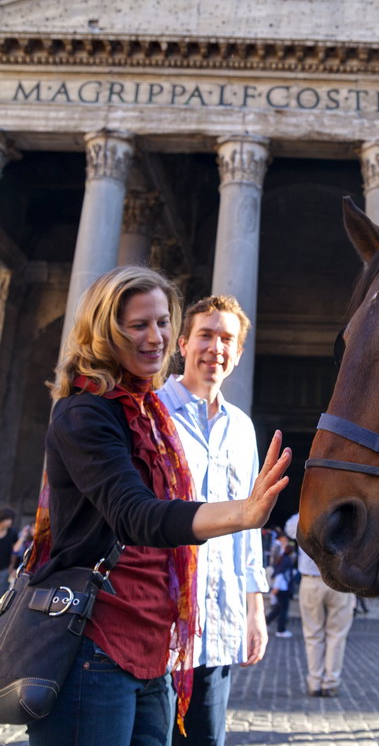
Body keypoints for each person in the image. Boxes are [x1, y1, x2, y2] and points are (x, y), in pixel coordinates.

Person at [25, 266, 291, 746]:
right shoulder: (87, 411)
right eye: (139, 325)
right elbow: (137, 515)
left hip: (157, 643)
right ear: (106, 330)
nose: (156, 337)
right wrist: (242, 512)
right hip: (97, 641)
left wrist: (253, 604)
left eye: (162, 322)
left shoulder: (152, 414)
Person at [157, 294, 273, 746]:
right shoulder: (154, 413)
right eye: (206, 335)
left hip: (219, 621)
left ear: (238, 354)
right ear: (183, 343)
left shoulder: (242, 428)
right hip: (159, 617)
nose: (215, 347)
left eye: (227, 339)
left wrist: (254, 608)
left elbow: (249, 526)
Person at [285, 512, 355, 697]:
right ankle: (331, 682)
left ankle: (314, 682)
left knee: (313, 635)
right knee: (337, 636)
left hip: (311, 581)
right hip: (340, 582)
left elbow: (289, 528)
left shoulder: (303, 518)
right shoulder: (349, 518)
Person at [265, 537, 295, 637]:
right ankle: (280, 630)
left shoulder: (283, 559)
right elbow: (280, 575)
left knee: (278, 609)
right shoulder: (286, 560)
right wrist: (276, 588)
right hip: (282, 589)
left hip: (281, 588)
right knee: (283, 610)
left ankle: (267, 621)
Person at [0, 507, 17, 595]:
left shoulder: (12, 532)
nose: (10, 522)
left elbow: (14, 551)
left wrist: (12, 565)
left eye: (11, 519)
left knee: (2, 591)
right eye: (8, 519)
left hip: (4, 567)